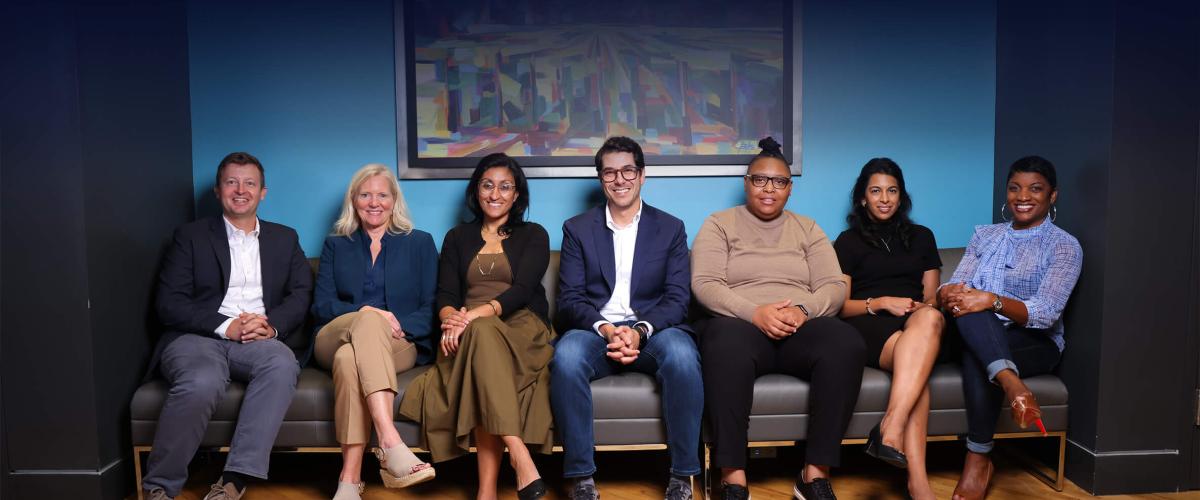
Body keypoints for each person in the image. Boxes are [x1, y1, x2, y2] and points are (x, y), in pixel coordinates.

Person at [692, 138, 865, 500]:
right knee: (722, 342)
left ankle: (814, 474)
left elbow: (834, 286)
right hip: (741, 325)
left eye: (779, 181)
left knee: (846, 342)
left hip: (799, 327)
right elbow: (705, 285)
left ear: (790, 188)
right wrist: (754, 313)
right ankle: (733, 478)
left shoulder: (807, 228)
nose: (769, 188)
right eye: (760, 180)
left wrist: (803, 311)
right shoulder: (719, 223)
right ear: (746, 183)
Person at [143, 152, 312, 500]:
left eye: (249, 183)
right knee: (202, 381)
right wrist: (226, 326)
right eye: (231, 182)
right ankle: (159, 486)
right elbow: (169, 303)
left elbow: (301, 293)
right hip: (198, 337)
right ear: (219, 191)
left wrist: (271, 327)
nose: (240, 190)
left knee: (282, 364)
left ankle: (234, 479)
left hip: (260, 339)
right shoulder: (189, 236)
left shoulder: (285, 238)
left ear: (263, 192)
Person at [551, 136, 702, 500]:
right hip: (595, 331)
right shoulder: (577, 228)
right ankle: (582, 478)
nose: (620, 180)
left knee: (683, 357)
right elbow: (569, 299)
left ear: (642, 175)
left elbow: (678, 299)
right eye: (610, 172)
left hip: (653, 331)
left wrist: (638, 331)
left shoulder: (670, 228)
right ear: (601, 179)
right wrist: (605, 328)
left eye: (628, 170)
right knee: (566, 357)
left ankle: (683, 475)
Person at [399, 153, 554, 500]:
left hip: (521, 327)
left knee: (482, 339)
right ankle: (519, 455)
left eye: (505, 187)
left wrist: (470, 316)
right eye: (487, 185)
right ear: (476, 190)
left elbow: (522, 291)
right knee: (483, 351)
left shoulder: (534, 234)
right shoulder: (457, 237)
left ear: (516, 195)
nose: (495, 193)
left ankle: (487, 489)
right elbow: (446, 294)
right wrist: (451, 320)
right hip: (467, 332)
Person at [940, 156, 1082, 500]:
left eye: (1036, 189)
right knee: (975, 315)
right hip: (976, 330)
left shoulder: (1065, 246)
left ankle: (978, 458)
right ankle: (1011, 382)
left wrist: (992, 300)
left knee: (979, 344)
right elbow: (957, 286)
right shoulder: (985, 236)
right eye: (1015, 187)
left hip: (1033, 341)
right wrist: (949, 293)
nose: (1023, 196)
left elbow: (1046, 313)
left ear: (1053, 196)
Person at [310, 164, 439, 499]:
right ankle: (389, 441)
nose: (374, 202)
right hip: (335, 333)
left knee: (347, 360)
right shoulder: (336, 245)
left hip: (397, 342)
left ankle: (349, 480)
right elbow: (321, 306)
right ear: (354, 201)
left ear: (395, 200)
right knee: (366, 321)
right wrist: (366, 313)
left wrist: (397, 325)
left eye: (382, 194)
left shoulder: (420, 243)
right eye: (365, 194)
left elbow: (433, 306)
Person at [833, 158, 944, 500]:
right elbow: (840, 305)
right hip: (869, 324)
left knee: (930, 320)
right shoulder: (847, 241)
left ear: (901, 196)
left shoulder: (923, 237)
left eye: (892, 190)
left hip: (918, 322)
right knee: (917, 370)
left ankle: (889, 428)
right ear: (863, 198)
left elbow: (932, 301)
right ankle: (919, 484)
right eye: (876, 191)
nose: (884, 198)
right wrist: (880, 302)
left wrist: (915, 308)